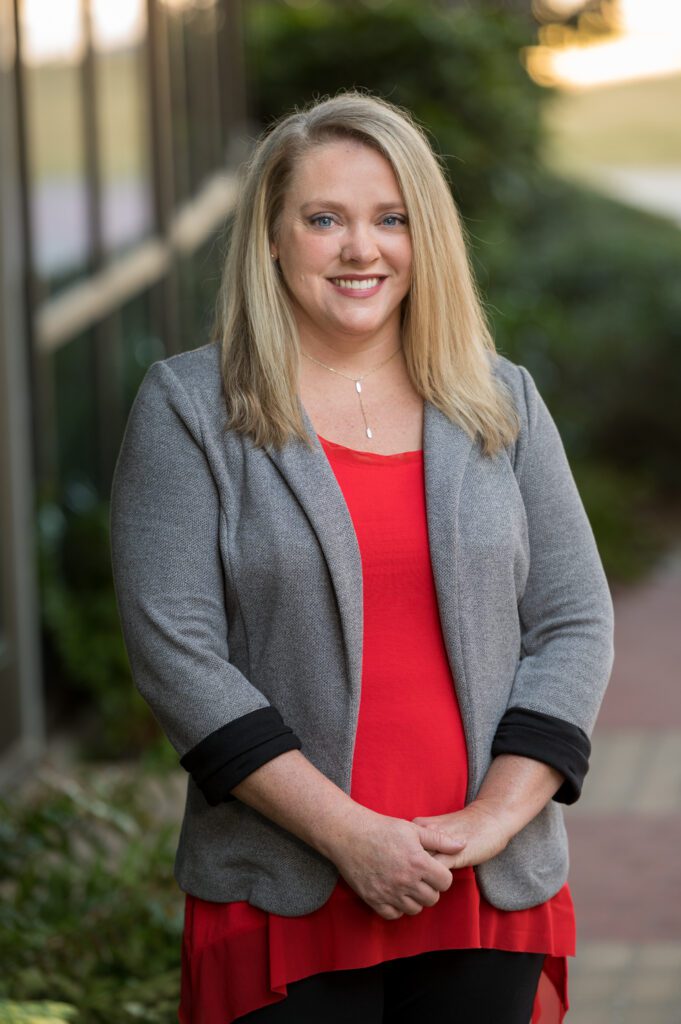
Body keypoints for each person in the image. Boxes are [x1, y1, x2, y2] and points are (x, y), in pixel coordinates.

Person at [110, 91, 614, 1024]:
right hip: (284, 889)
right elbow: (174, 651)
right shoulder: (189, 407)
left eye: (391, 220)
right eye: (324, 219)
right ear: (271, 235)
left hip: (482, 889)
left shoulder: (502, 402)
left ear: (426, 238)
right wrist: (349, 836)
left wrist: (493, 820)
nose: (361, 250)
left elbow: (575, 617)